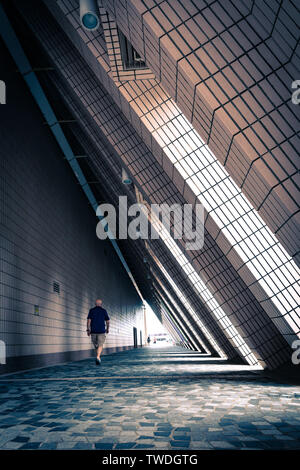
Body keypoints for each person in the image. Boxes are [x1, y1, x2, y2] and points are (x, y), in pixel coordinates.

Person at [87, 299, 110, 365]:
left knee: (96, 345)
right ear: (101, 304)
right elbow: (107, 321)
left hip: (93, 331)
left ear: (95, 304)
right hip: (101, 330)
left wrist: (88, 329)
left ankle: (98, 356)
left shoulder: (91, 310)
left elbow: (89, 321)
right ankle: (98, 356)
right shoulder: (104, 311)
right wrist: (107, 328)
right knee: (100, 344)